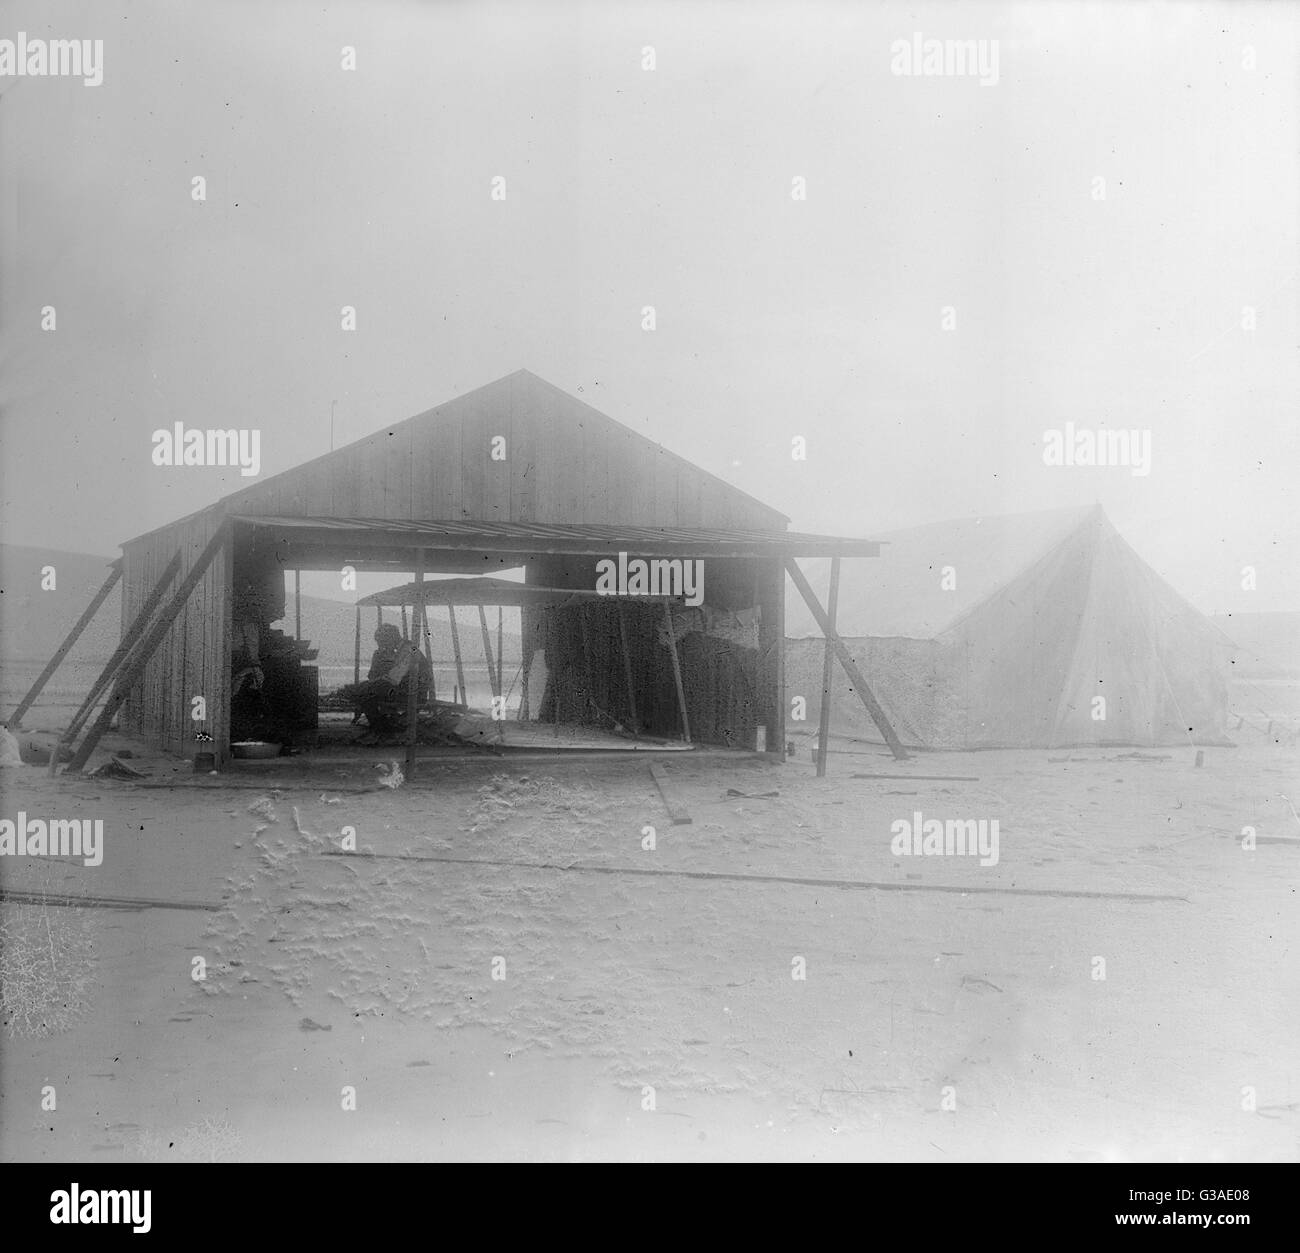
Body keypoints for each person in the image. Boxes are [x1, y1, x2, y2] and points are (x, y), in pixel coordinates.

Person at [345, 623, 433, 735]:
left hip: (413, 693)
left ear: (390, 638)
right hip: (408, 689)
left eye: (383, 643)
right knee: (366, 690)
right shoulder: (406, 648)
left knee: (366, 693)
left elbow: (394, 678)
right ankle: (381, 726)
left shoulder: (410, 649)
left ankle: (382, 728)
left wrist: (372, 683)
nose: (382, 647)